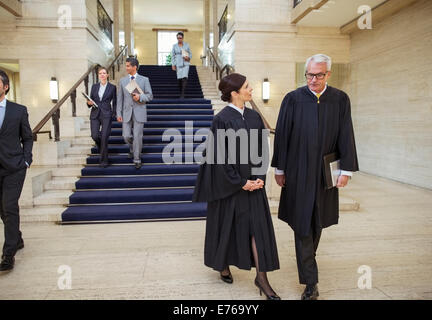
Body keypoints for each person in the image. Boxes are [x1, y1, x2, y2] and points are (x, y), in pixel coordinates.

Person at [271, 54, 359, 300]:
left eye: (318, 75)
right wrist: (279, 168)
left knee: (317, 221)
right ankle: (311, 282)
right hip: (298, 170)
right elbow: (283, 135)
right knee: (302, 223)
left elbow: (345, 133)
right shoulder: (293, 99)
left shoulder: (340, 99)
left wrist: (346, 170)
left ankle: (308, 259)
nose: (312, 79)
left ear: (328, 74)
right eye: (309, 74)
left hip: (325, 171)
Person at [193, 73, 280, 300]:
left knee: (257, 231)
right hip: (231, 187)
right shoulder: (221, 119)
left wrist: (259, 177)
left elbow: (262, 149)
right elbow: (218, 157)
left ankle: (261, 278)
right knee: (227, 229)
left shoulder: (253, 116)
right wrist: (241, 183)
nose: (251, 89)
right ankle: (222, 265)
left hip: (255, 185)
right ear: (235, 93)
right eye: (247, 87)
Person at [0, 70, 33, 272]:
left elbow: (27, 137)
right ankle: (17, 238)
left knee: (9, 206)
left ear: (5, 86)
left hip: (14, 167)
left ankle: (8, 253)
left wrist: (26, 160)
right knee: (2, 210)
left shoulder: (18, 110)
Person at [117, 57, 153, 169]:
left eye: (128, 66)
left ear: (134, 67)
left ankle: (137, 159)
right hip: (126, 112)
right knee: (126, 136)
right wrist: (118, 113)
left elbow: (150, 96)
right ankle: (133, 148)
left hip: (139, 111)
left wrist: (140, 97)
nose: (126, 68)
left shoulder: (144, 80)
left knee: (137, 136)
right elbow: (120, 99)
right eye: (126, 65)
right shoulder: (122, 81)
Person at [87, 67, 116, 168]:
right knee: (95, 136)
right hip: (95, 114)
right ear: (98, 75)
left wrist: (114, 113)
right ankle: (101, 148)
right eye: (100, 73)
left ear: (107, 75)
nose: (102, 75)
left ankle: (104, 161)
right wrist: (89, 103)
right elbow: (90, 100)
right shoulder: (94, 87)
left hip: (106, 114)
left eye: (104, 73)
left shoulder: (112, 87)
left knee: (104, 137)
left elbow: (115, 102)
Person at [171, 32, 192, 99]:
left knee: (185, 77)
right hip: (178, 63)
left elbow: (190, 54)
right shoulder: (174, 46)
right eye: (178, 38)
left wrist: (188, 57)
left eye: (180, 38)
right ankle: (181, 91)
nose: (179, 39)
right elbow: (173, 56)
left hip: (186, 63)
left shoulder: (187, 45)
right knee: (179, 79)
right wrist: (173, 64)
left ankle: (182, 94)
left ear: (182, 38)